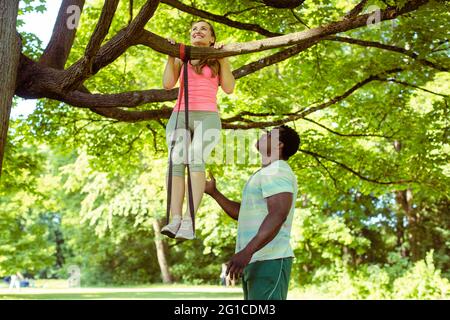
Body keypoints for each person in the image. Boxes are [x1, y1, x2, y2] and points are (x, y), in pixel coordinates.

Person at [205, 125, 300, 300]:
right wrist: (214, 193)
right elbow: (243, 213)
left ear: (279, 145)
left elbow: (278, 214)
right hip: (255, 260)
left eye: (270, 134)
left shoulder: (277, 170)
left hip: (270, 259)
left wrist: (247, 252)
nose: (264, 134)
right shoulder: (267, 172)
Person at [161, 20, 235, 240]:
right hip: (179, 115)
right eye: (194, 29)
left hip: (207, 116)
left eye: (203, 29)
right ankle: (174, 219)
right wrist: (170, 55)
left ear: (212, 38)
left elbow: (229, 88)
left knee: (195, 157)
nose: (197, 31)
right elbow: (167, 84)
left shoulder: (217, 59)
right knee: (176, 160)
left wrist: (224, 59)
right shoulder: (182, 56)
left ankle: (189, 220)